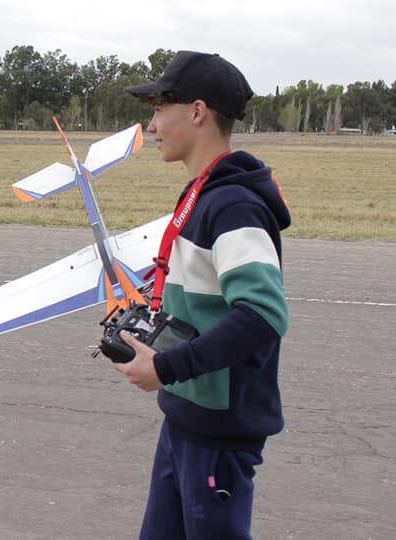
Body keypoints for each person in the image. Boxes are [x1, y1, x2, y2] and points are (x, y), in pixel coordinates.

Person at [115, 51, 291, 539]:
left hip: (218, 431)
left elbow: (262, 314)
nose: (151, 127)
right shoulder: (204, 193)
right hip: (186, 417)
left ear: (196, 111)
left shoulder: (232, 205)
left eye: (157, 110)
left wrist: (166, 367)